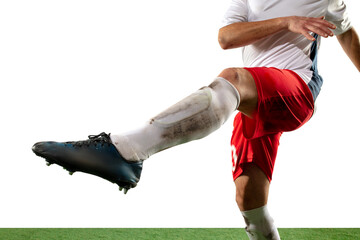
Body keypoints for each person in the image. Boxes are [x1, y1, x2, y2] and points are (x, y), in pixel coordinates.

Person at [32, 0, 360, 239]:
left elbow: (347, 35)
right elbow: (227, 38)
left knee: (233, 77)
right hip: (253, 100)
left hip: (295, 88)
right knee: (248, 199)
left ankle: (126, 151)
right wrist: (287, 21)